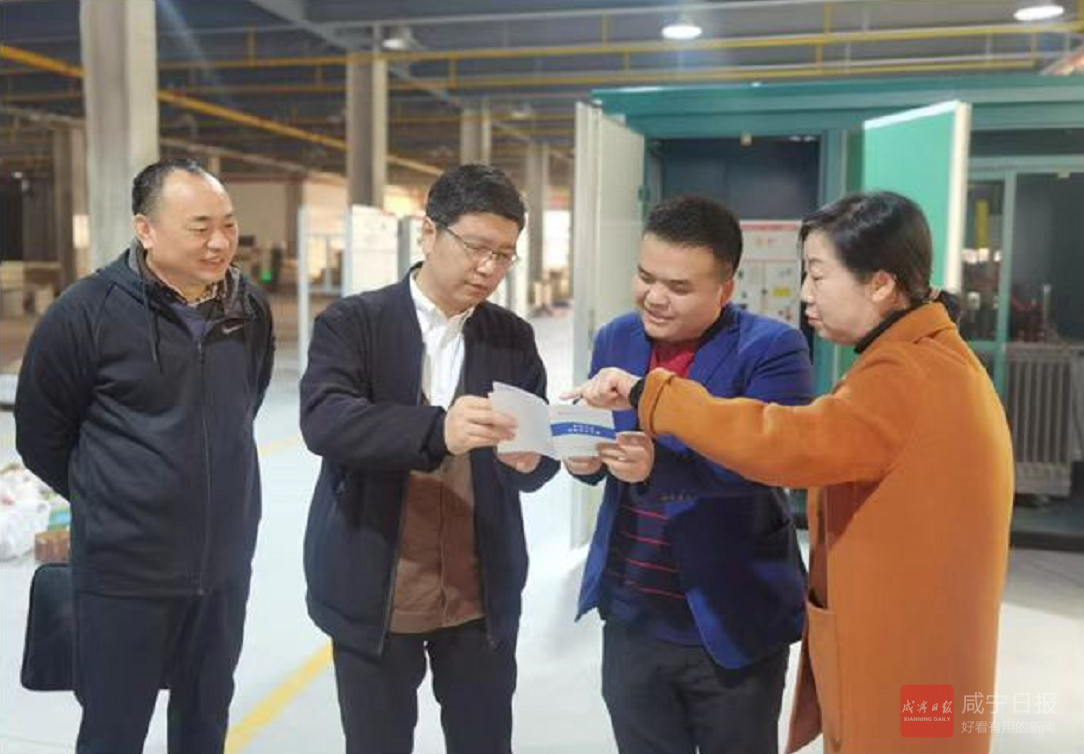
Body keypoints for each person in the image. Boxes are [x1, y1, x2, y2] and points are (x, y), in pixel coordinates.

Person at [569, 191, 1014, 754]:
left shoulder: (901, 373)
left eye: (817, 275)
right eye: (646, 277)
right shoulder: (929, 359)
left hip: (890, 644)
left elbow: (783, 444)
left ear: (880, 284)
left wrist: (650, 397)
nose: (805, 293)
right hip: (645, 609)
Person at [15, 157, 275, 754]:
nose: (220, 242)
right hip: (124, 573)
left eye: (228, 225)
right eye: (199, 227)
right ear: (146, 229)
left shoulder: (248, 308)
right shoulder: (85, 313)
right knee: (114, 728)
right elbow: (41, 436)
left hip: (222, 566)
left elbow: (246, 404)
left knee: (205, 720)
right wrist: (116, 497)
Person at [301, 164, 560, 754]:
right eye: (476, 247)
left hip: (478, 595)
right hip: (378, 589)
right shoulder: (354, 323)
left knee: (484, 741)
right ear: (428, 233)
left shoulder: (510, 336)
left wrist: (535, 459)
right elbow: (325, 420)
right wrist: (438, 429)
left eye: (504, 255)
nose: (488, 268)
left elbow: (539, 453)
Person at [565, 195, 812, 754]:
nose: (654, 297)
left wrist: (661, 465)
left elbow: (771, 462)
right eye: (645, 277)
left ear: (724, 290)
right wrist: (583, 460)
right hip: (632, 610)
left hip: (731, 617)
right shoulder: (616, 338)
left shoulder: (773, 349)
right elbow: (604, 440)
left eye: (678, 287)